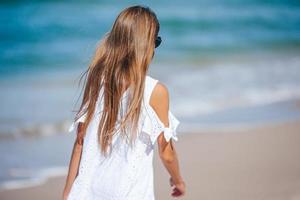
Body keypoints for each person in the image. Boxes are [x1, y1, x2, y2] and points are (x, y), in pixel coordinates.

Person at [62, 5, 185, 200]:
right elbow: (166, 153)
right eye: (156, 41)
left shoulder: (96, 79)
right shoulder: (155, 91)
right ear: (146, 45)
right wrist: (178, 181)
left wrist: (67, 194)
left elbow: (80, 142)